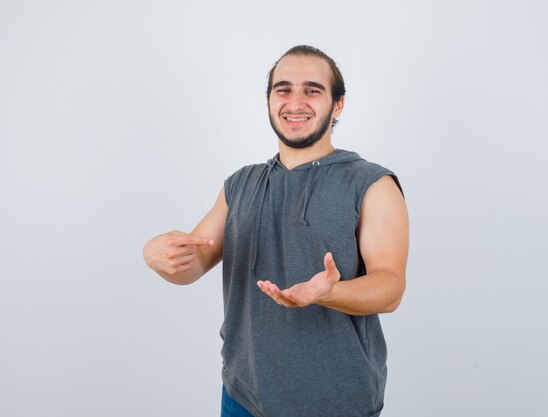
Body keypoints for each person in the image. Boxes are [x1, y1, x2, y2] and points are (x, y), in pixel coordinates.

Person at [143, 45, 409, 417]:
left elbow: (391, 289)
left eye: (312, 90)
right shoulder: (239, 184)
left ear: (338, 105)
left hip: (337, 401)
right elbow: (192, 262)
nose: (295, 101)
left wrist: (329, 292)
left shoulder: (370, 183)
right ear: (269, 100)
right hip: (243, 395)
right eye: (283, 89)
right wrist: (157, 256)